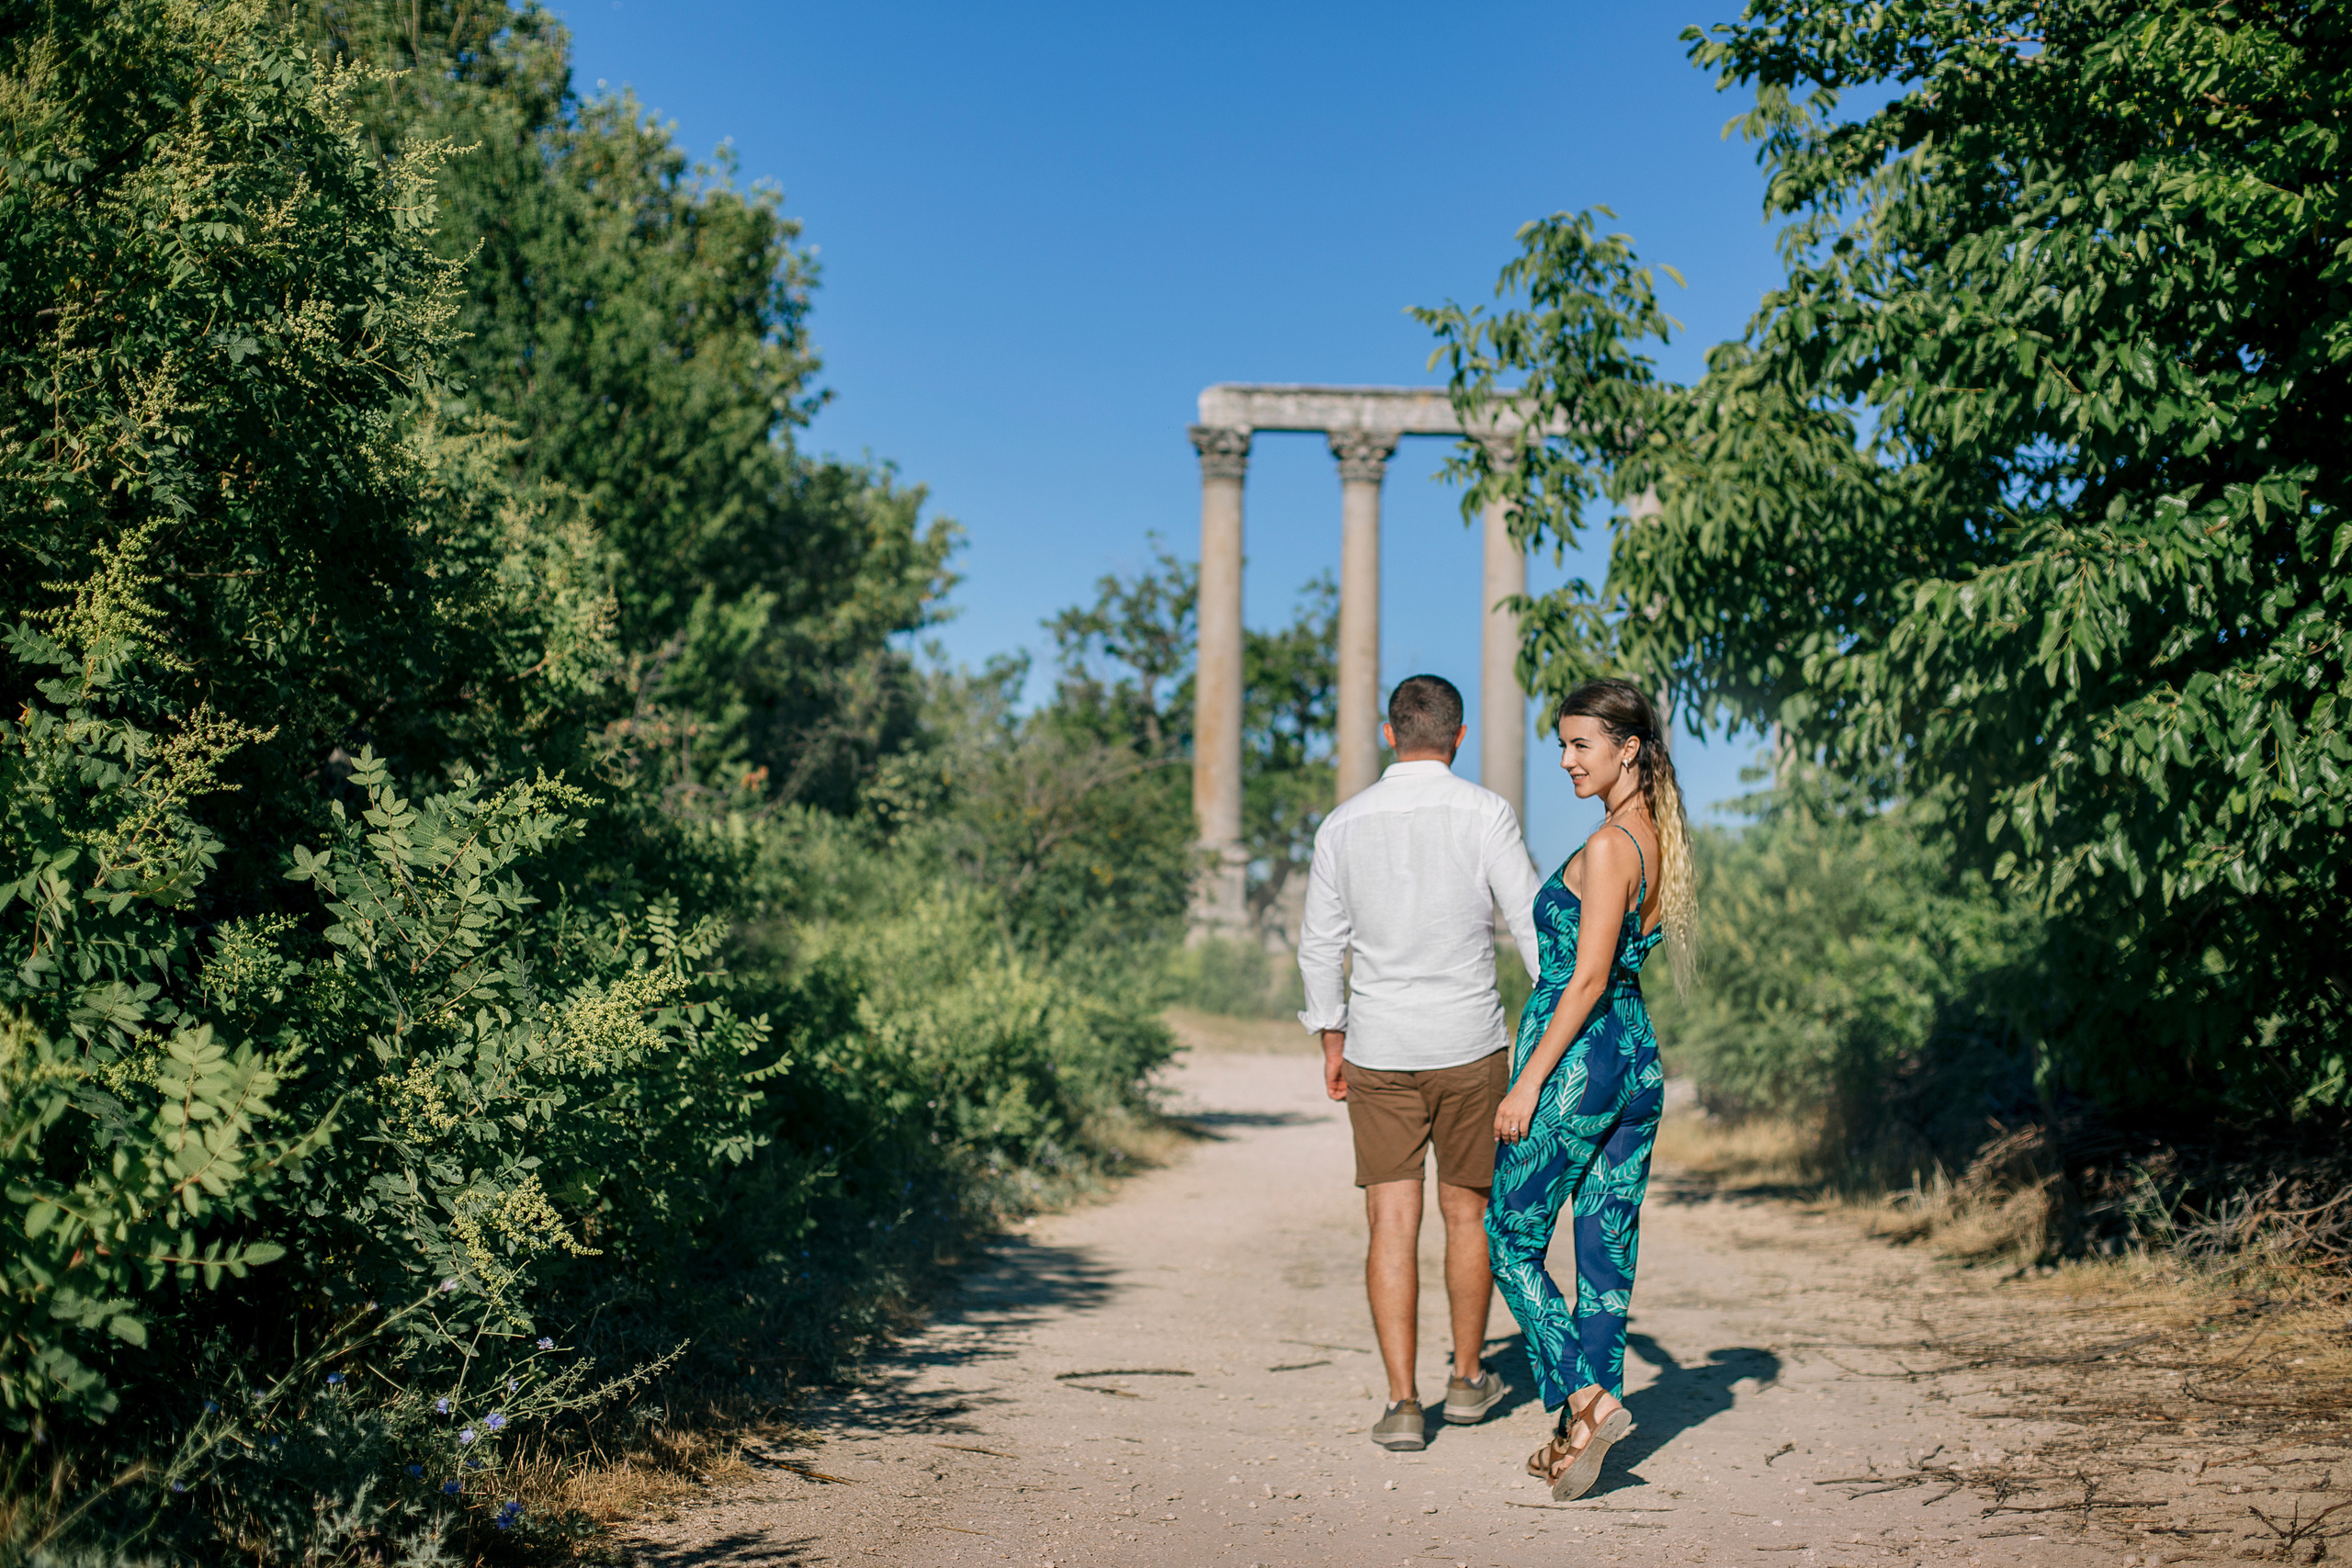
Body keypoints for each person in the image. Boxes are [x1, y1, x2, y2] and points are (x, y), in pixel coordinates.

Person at [1297, 673, 1543, 1452]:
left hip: (1379, 1047)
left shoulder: (1343, 822)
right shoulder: (1485, 812)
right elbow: (1533, 927)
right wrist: (1556, 1027)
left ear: (1388, 731)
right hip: (1471, 1045)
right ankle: (1468, 1379)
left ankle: (1404, 1403)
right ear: (1458, 736)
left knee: (1390, 1220)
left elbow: (1318, 945)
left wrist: (1332, 1040)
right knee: (1467, 1213)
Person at [1485, 678, 1697, 1499]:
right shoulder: (1660, 836)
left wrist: (1526, 1084)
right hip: (1635, 1057)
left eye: (1581, 744)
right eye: (1563, 745)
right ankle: (1582, 1440)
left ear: (1628, 748)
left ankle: (1590, 1396)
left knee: (1509, 1235)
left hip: (1579, 1061)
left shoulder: (1610, 845)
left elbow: (1586, 978)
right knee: (1606, 1256)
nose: (1568, 760)